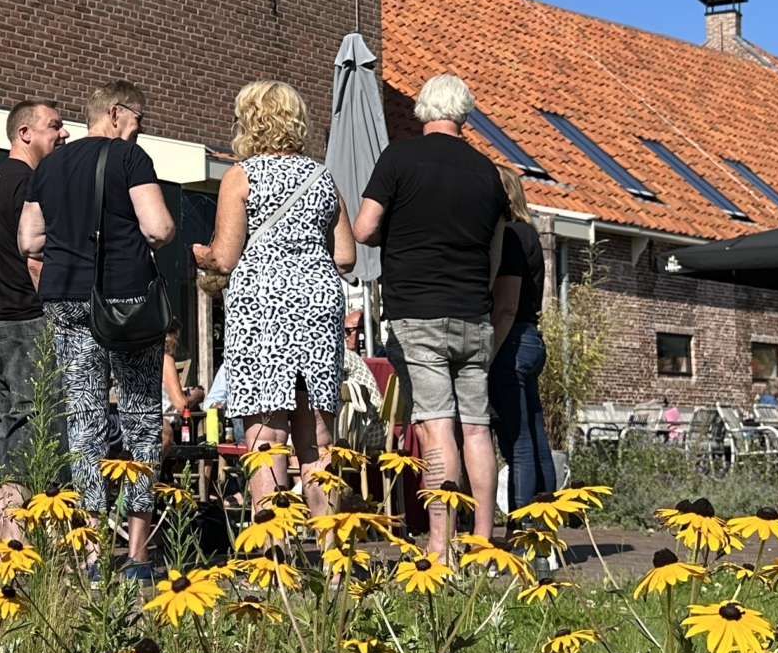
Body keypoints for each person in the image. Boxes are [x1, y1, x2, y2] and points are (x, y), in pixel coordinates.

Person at [21, 81, 176, 575]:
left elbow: (29, 239)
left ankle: (90, 553)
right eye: (139, 119)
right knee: (140, 417)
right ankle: (136, 552)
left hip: (66, 299)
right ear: (115, 113)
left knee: (84, 421)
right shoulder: (130, 159)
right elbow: (159, 228)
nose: (142, 128)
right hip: (126, 302)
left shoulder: (49, 166)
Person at [352, 73, 508, 558]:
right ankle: (483, 538)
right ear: (465, 112)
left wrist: (395, 237)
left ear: (422, 109)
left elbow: (363, 228)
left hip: (418, 311)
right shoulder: (489, 172)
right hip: (473, 314)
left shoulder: (398, 157)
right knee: (477, 426)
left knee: (437, 425)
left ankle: (441, 544)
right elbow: (496, 255)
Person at [191, 80, 356, 516]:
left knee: (266, 433)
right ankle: (332, 555)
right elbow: (345, 255)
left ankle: (275, 552)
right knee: (317, 435)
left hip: (263, 308)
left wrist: (201, 255)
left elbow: (225, 258)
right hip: (318, 303)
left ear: (250, 122)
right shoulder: (323, 177)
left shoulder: (240, 176)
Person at [0, 100, 66, 539]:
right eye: (53, 127)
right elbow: (35, 256)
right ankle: (19, 542)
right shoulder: (30, 183)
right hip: (29, 321)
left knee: (8, 428)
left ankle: (3, 538)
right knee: (37, 426)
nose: (62, 134)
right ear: (24, 133)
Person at [487, 166, 559, 512]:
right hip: (531, 337)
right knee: (535, 434)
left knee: (517, 441)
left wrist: (488, 355)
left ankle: (523, 521)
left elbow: (506, 304)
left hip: (510, 342)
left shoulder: (512, 236)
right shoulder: (530, 232)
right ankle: (545, 516)